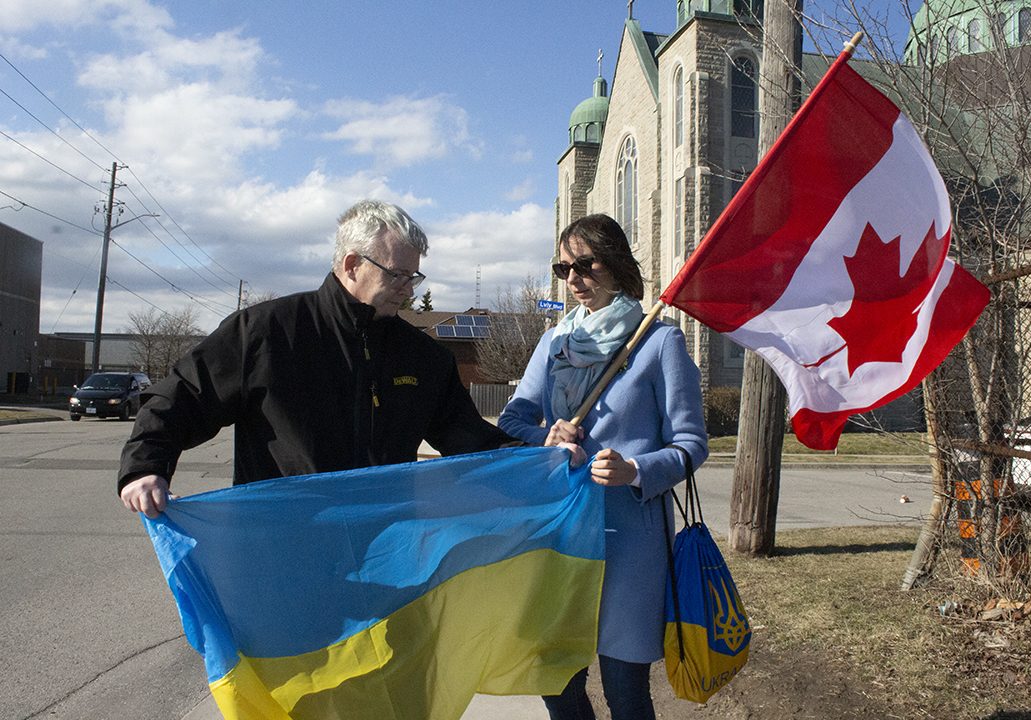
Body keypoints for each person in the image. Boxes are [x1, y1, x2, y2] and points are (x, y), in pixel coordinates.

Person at [119, 199, 514, 516]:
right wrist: (145, 467)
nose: (408, 290)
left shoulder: (423, 357)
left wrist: (535, 461)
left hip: (385, 546)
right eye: (397, 275)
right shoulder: (266, 332)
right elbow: (184, 395)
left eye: (414, 277)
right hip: (282, 542)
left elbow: (469, 437)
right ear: (352, 264)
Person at [498, 213, 708, 720]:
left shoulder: (658, 342)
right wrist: (543, 437)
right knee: (558, 679)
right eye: (563, 268)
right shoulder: (553, 345)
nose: (573, 280)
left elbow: (691, 444)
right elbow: (512, 420)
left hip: (630, 542)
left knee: (626, 691)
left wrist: (635, 470)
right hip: (559, 533)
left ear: (614, 266)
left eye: (585, 266)